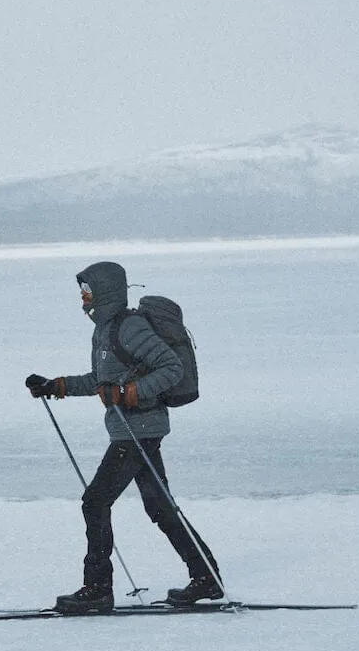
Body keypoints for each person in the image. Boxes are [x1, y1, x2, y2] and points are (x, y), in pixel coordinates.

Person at [25, 261, 222, 613]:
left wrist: (131, 393)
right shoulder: (104, 330)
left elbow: (170, 368)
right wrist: (57, 386)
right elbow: (102, 381)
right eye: (82, 291)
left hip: (139, 431)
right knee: (160, 507)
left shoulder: (130, 327)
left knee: (95, 502)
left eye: (88, 290)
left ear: (106, 291)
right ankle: (206, 578)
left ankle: (98, 589)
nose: (83, 297)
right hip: (132, 431)